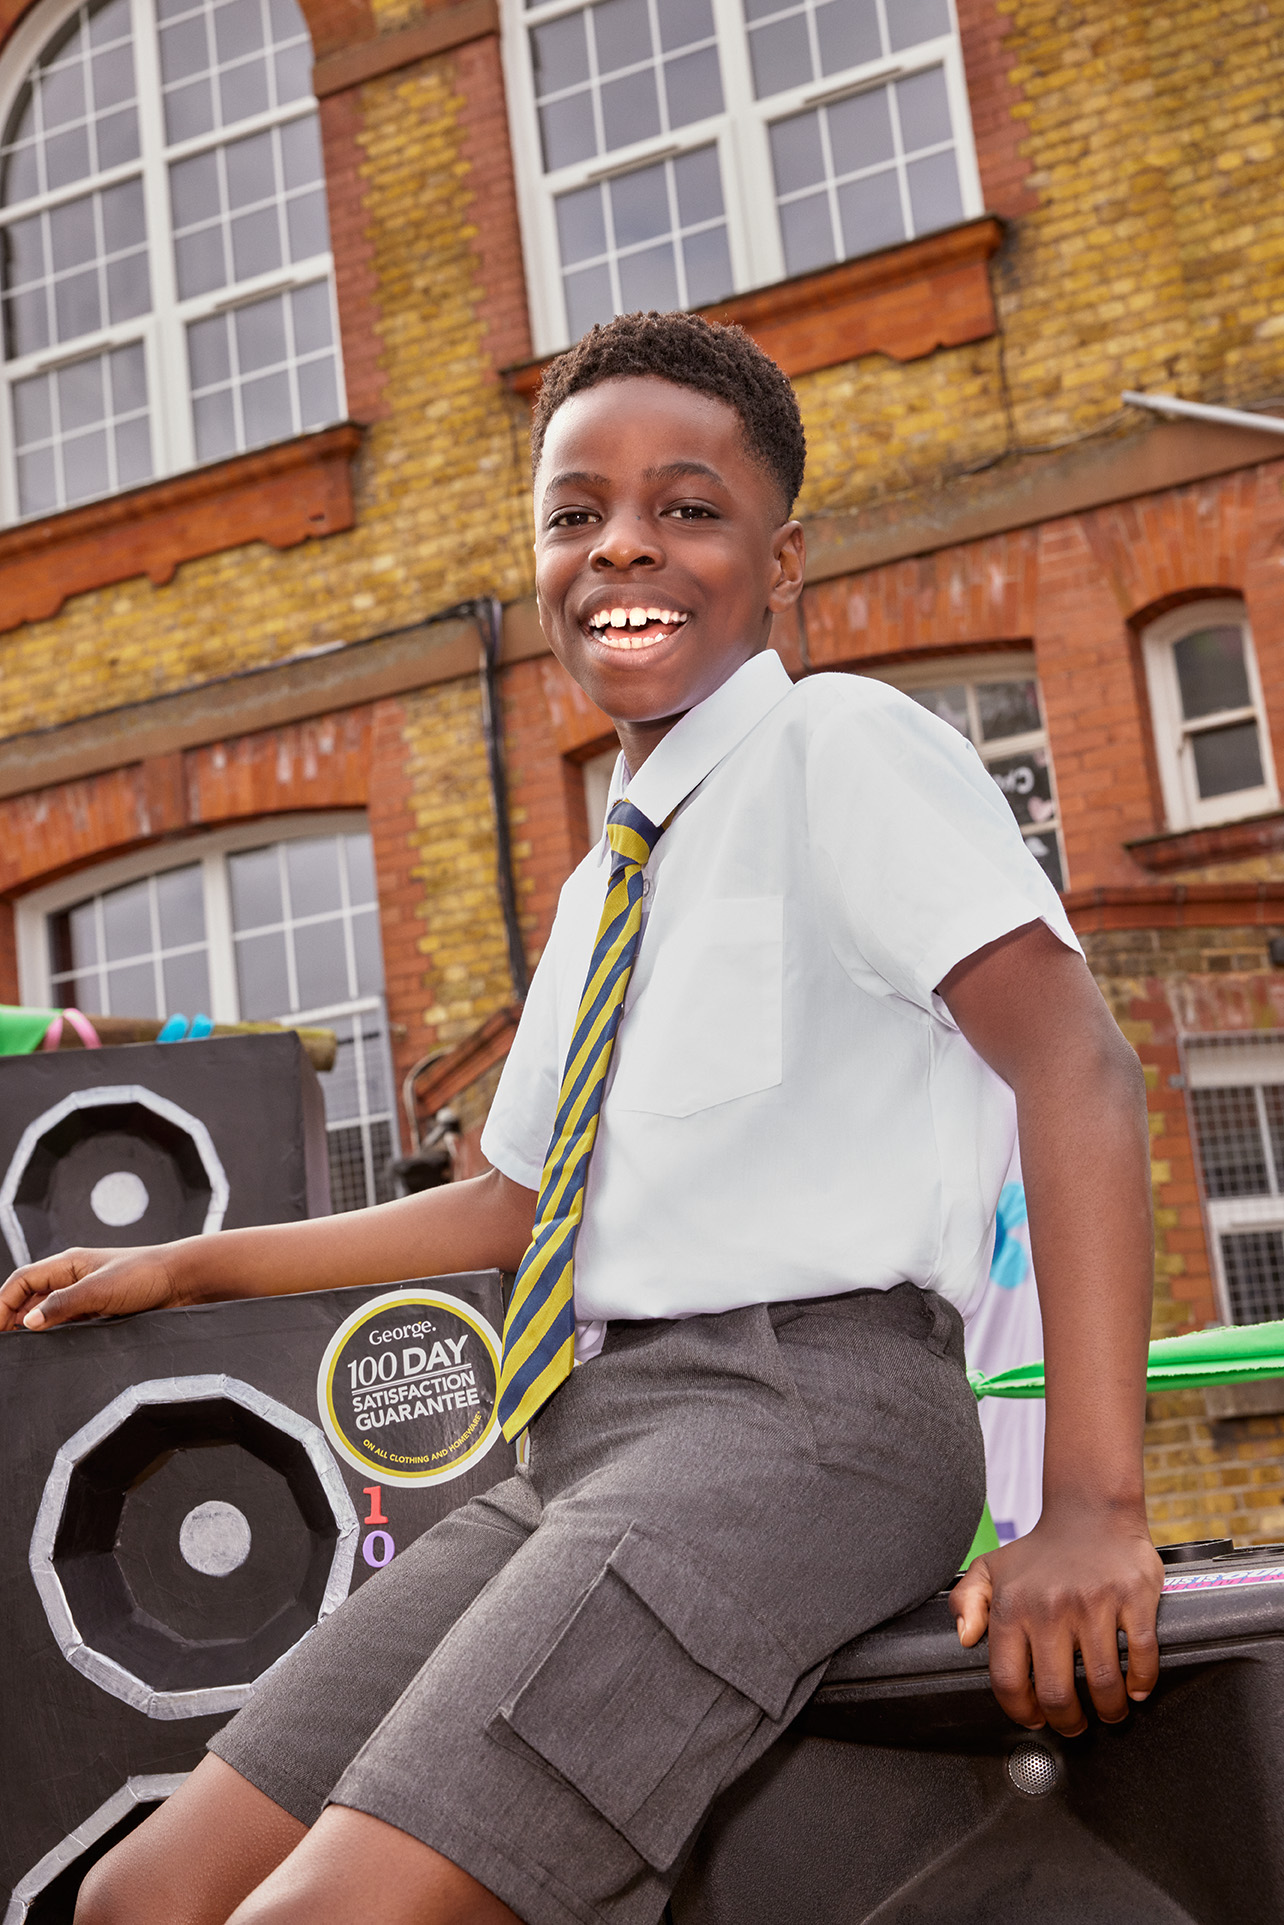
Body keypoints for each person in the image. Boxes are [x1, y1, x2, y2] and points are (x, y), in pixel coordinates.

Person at [0, 312, 1162, 1925]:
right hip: (578, 1447)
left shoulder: (844, 748)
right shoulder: (618, 864)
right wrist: (187, 1271)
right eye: (575, 512)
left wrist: (1093, 1506)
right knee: (142, 1898)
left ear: (783, 559)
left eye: (688, 506)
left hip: (799, 1417)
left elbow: (1079, 1064)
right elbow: (512, 1205)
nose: (624, 543)